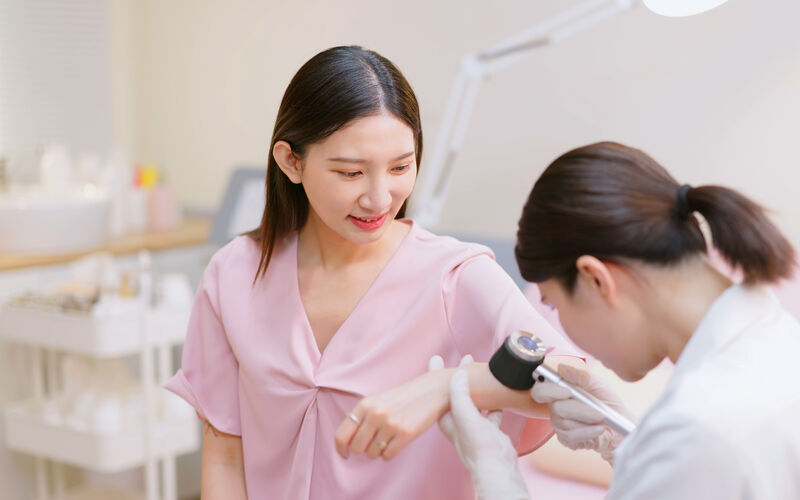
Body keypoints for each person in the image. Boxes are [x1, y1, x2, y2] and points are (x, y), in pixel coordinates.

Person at [164, 45, 579, 500]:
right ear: (291, 162)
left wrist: (448, 386)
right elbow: (225, 455)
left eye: (401, 166)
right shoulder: (234, 274)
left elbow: (574, 386)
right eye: (351, 173)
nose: (380, 198)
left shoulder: (455, 276)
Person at [438, 141, 800, 499]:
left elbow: (698, 451)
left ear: (596, 279)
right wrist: (633, 445)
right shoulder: (775, 338)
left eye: (554, 305)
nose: (561, 325)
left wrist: (493, 471)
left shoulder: (700, 427)